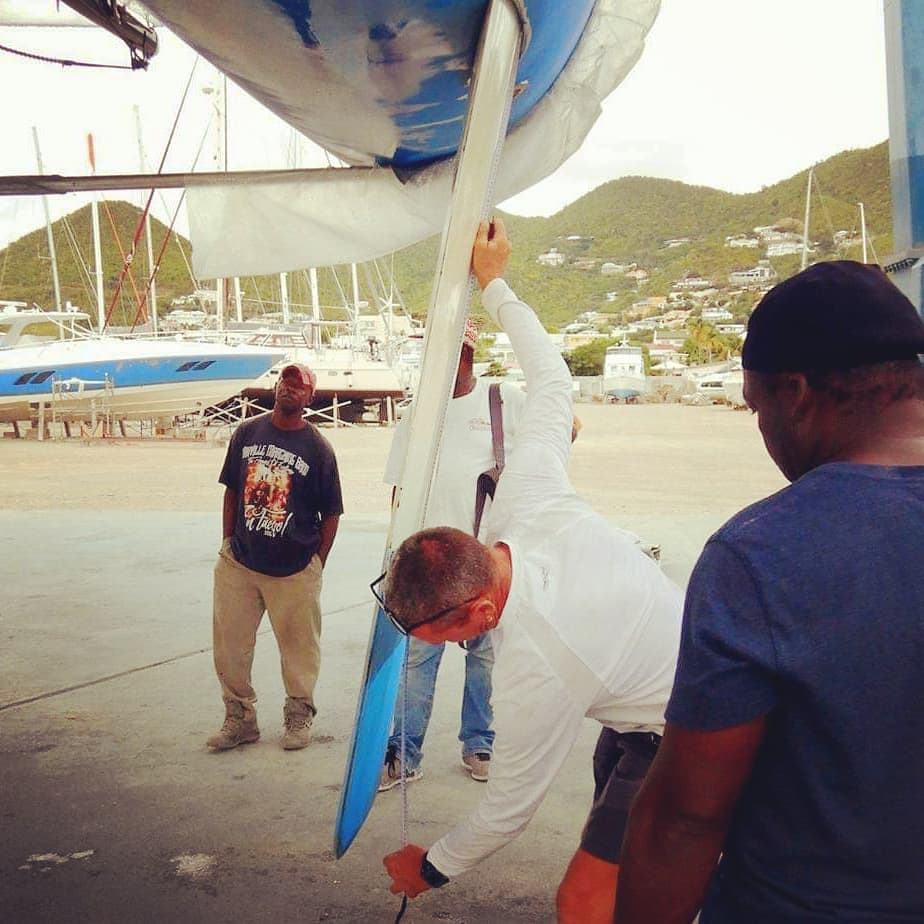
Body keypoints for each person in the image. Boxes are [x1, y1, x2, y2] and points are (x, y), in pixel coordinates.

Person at [379, 218, 684, 921]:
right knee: (615, 846)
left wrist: (427, 867)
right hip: (642, 695)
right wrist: (495, 284)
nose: (414, 640)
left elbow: (507, 810)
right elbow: (552, 381)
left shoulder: (535, 666)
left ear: (474, 616)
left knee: (583, 897)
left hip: (687, 725)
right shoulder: (526, 496)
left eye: (420, 631)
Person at [616, 261, 924, 923]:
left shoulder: (762, 554)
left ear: (797, 393)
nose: (764, 431)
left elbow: (685, 820)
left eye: (757, 408)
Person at [378, 318, 527, 791]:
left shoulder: (501, 402)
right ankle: (405, 751)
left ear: (466, 355)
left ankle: (479, 743)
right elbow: (399, 493)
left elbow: (546, 456)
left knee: (484, 661)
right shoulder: (417, 414)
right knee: (418, 659)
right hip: (431, 568)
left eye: (449, 353)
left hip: (484, 565)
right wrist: (398, 561)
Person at [207, 362, 343, 752]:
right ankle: (239, 720)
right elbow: (232, 490)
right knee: (230, 647)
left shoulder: (318, 449)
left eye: (299, 385)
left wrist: (315, 564)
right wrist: (228, 543)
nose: (289, 388)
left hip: (294, 569)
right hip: (240, 564)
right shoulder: (248, 432)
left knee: (299, 650)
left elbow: (331, 513)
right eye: (286, 381)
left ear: (309, 398)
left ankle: (298, 716)